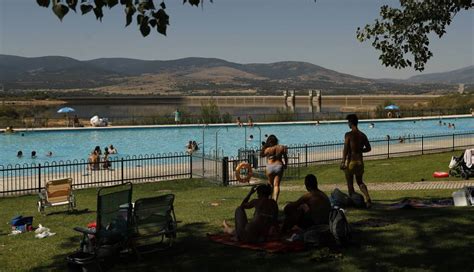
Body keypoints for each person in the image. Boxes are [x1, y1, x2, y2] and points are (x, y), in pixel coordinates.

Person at [340, 114, 372, 208]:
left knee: (350, 184)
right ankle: (368, 199)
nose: (348, 124)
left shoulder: (348, 135)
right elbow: (369, 148)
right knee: (360, 182)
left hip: (351, 162)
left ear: (351, 123)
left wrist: (343, 161)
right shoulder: (362, 135)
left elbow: (345, 149)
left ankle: (353, 202)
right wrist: (360, 150)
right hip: (360, 162)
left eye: (348, 122)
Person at [260, 135, 288, 201]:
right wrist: (285, 164)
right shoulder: (281, 147)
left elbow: (261, 155)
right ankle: (275, 201)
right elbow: (285, 157)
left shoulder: (267, 149)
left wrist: (264, 146)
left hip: (270, 167)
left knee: (270, 184)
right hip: (279, 166)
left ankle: (269, 200)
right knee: (276, 185)